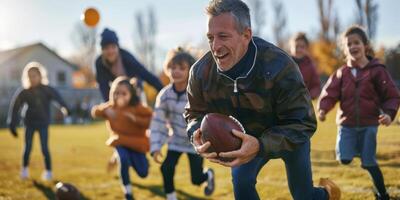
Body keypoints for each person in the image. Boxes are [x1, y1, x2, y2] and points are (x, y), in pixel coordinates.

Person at [184, 0, 341, 199]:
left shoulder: (280, 65)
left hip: (288, 134)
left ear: (246, 35)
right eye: (210, 37)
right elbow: (193, 113)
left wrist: (260, 145)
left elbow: (304, 122)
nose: (215, 46)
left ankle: (327, 194)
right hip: (245, 138)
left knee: (303, 195)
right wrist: (195, 133)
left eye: (223, 36)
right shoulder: (201, 72)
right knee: (242, 186)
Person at [318, 25, 400, 200]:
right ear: (345, 49)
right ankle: (357, 149)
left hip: (369, 124)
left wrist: (388, 113)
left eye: (357, 43)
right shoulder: (341, 73)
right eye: (349, 44)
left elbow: (391, 95)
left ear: (365, 46)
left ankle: (382, 194)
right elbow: (330, 93)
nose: (353, 46)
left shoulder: (377, 70)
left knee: (369, 163)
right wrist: (323, 109)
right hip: (346, 125)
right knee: (344, 159)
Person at [150, 47, 215, 200]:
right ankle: (171, 197)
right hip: (175, 141)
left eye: (181, 68)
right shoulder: (165, 95)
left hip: (195, 141)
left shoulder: (196, 93)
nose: (176, 71)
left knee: (196, 179)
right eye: (172, 67)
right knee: (166, 168)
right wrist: (156, 146)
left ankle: (208, 175)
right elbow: (158, 121)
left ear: (191, 70)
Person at [91, 76, 152, 200]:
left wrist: (136, 119)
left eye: (124, 93)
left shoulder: (137, 107)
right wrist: (105, 112)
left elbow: (151, 119)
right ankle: (127, 192)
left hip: (137, 143)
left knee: (143, 173)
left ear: (131, 94)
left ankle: (134, 161)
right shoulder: (110, 107)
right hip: (119, 141)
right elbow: (95, 112)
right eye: (116, 93)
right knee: (123, 160)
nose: (119, 96)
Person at [7, 61, 70, 181]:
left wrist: (65, 108)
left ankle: (48, 171)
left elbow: (59, 98)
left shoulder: (47, 90)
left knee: (45, 148)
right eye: (30, 76)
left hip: (43, 123)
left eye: (34, 76)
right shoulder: (24, 92)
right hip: (29, 123)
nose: (32, 78)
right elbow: (15, 108)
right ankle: (24, 170)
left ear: (40, 76)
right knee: (27, 147)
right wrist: (12, 123)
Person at [95, 28, 163, 101]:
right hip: (118, 93)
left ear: (117, 47)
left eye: (113, 47)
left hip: (135, 89)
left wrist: (163, 91)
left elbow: (146, 75)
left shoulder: (127, 57)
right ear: (102, 50)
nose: (110, 51)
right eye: (106, 48)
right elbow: (103, 86)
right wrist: (110, 105)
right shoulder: (100, 63)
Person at [289, 32, 321, 99]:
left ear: (306, 48)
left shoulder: (310, 66)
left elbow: (316, 85)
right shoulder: (285, 64)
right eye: (296, 46)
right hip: (287, 100)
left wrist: (309, 95)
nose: (299, 49)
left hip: (304, 101)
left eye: (302, 47)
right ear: (291, 47)